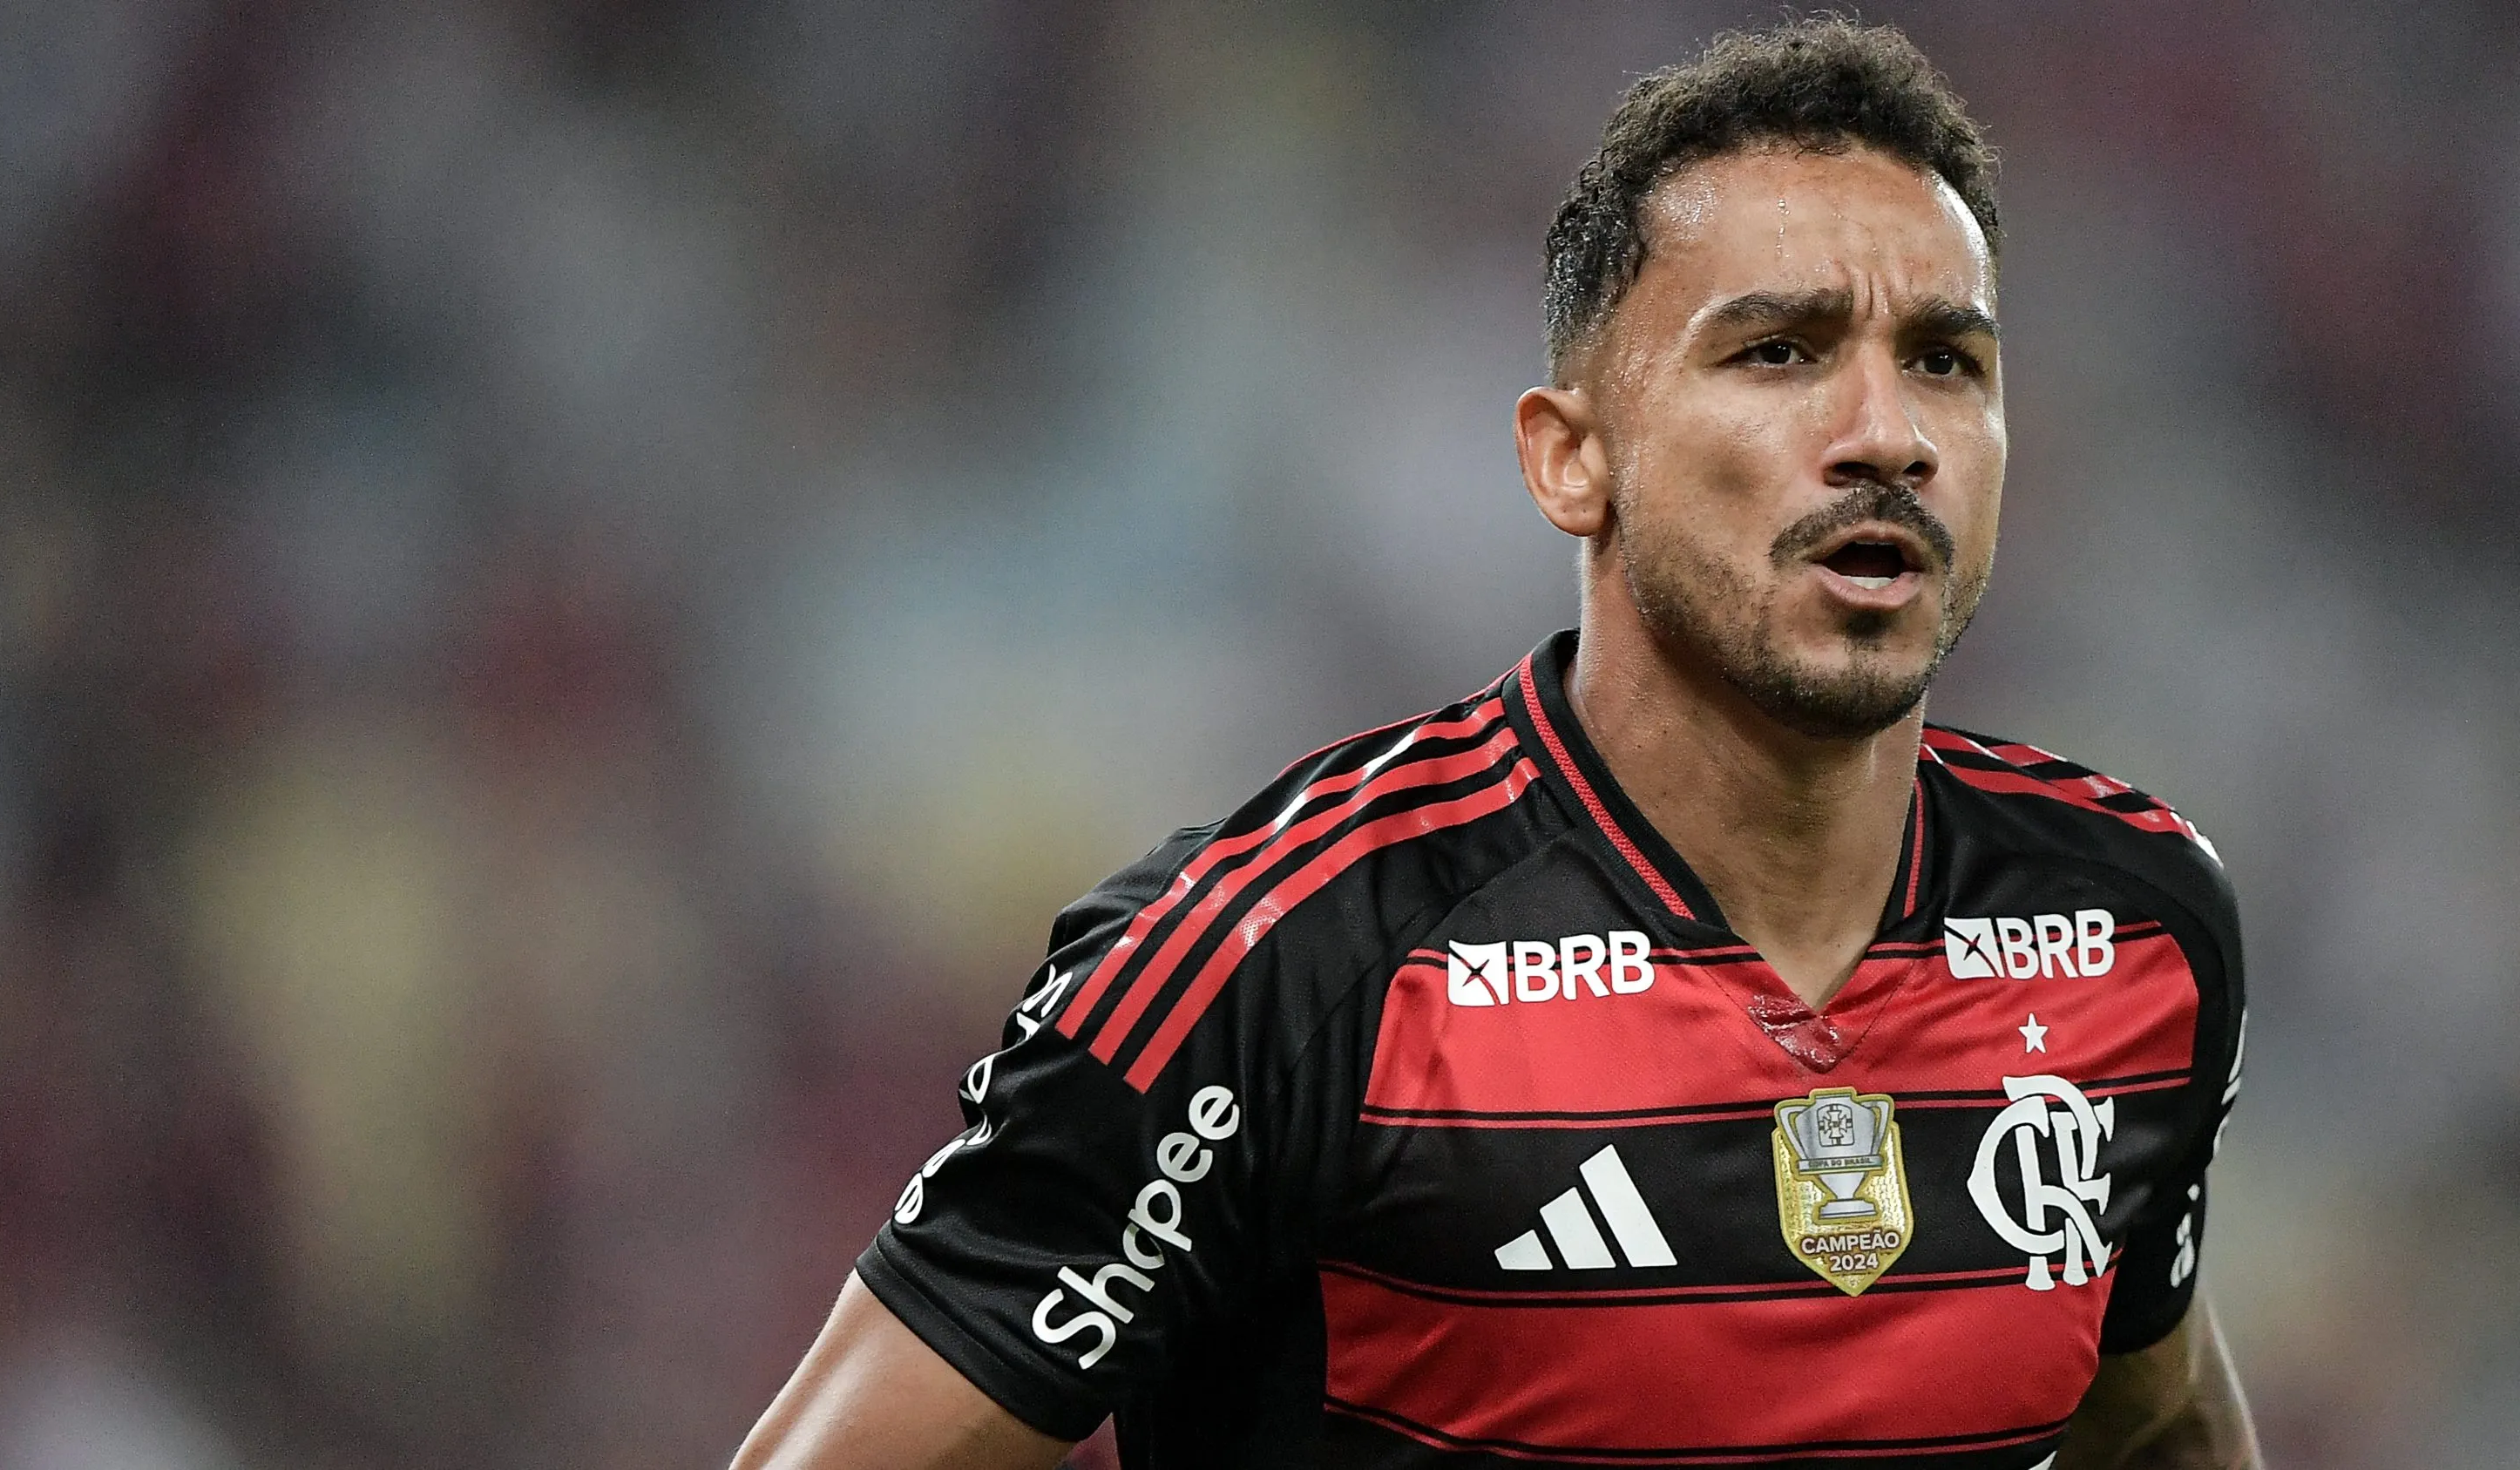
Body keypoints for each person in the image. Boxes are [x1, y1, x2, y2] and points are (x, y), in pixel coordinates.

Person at [733, 18, 2260, 1470]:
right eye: (1779, 351)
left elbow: (2161, 1423)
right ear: (1572, 458)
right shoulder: (1285, 964)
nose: (1886, 430)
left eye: (1946, 359)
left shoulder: (2133, 931)